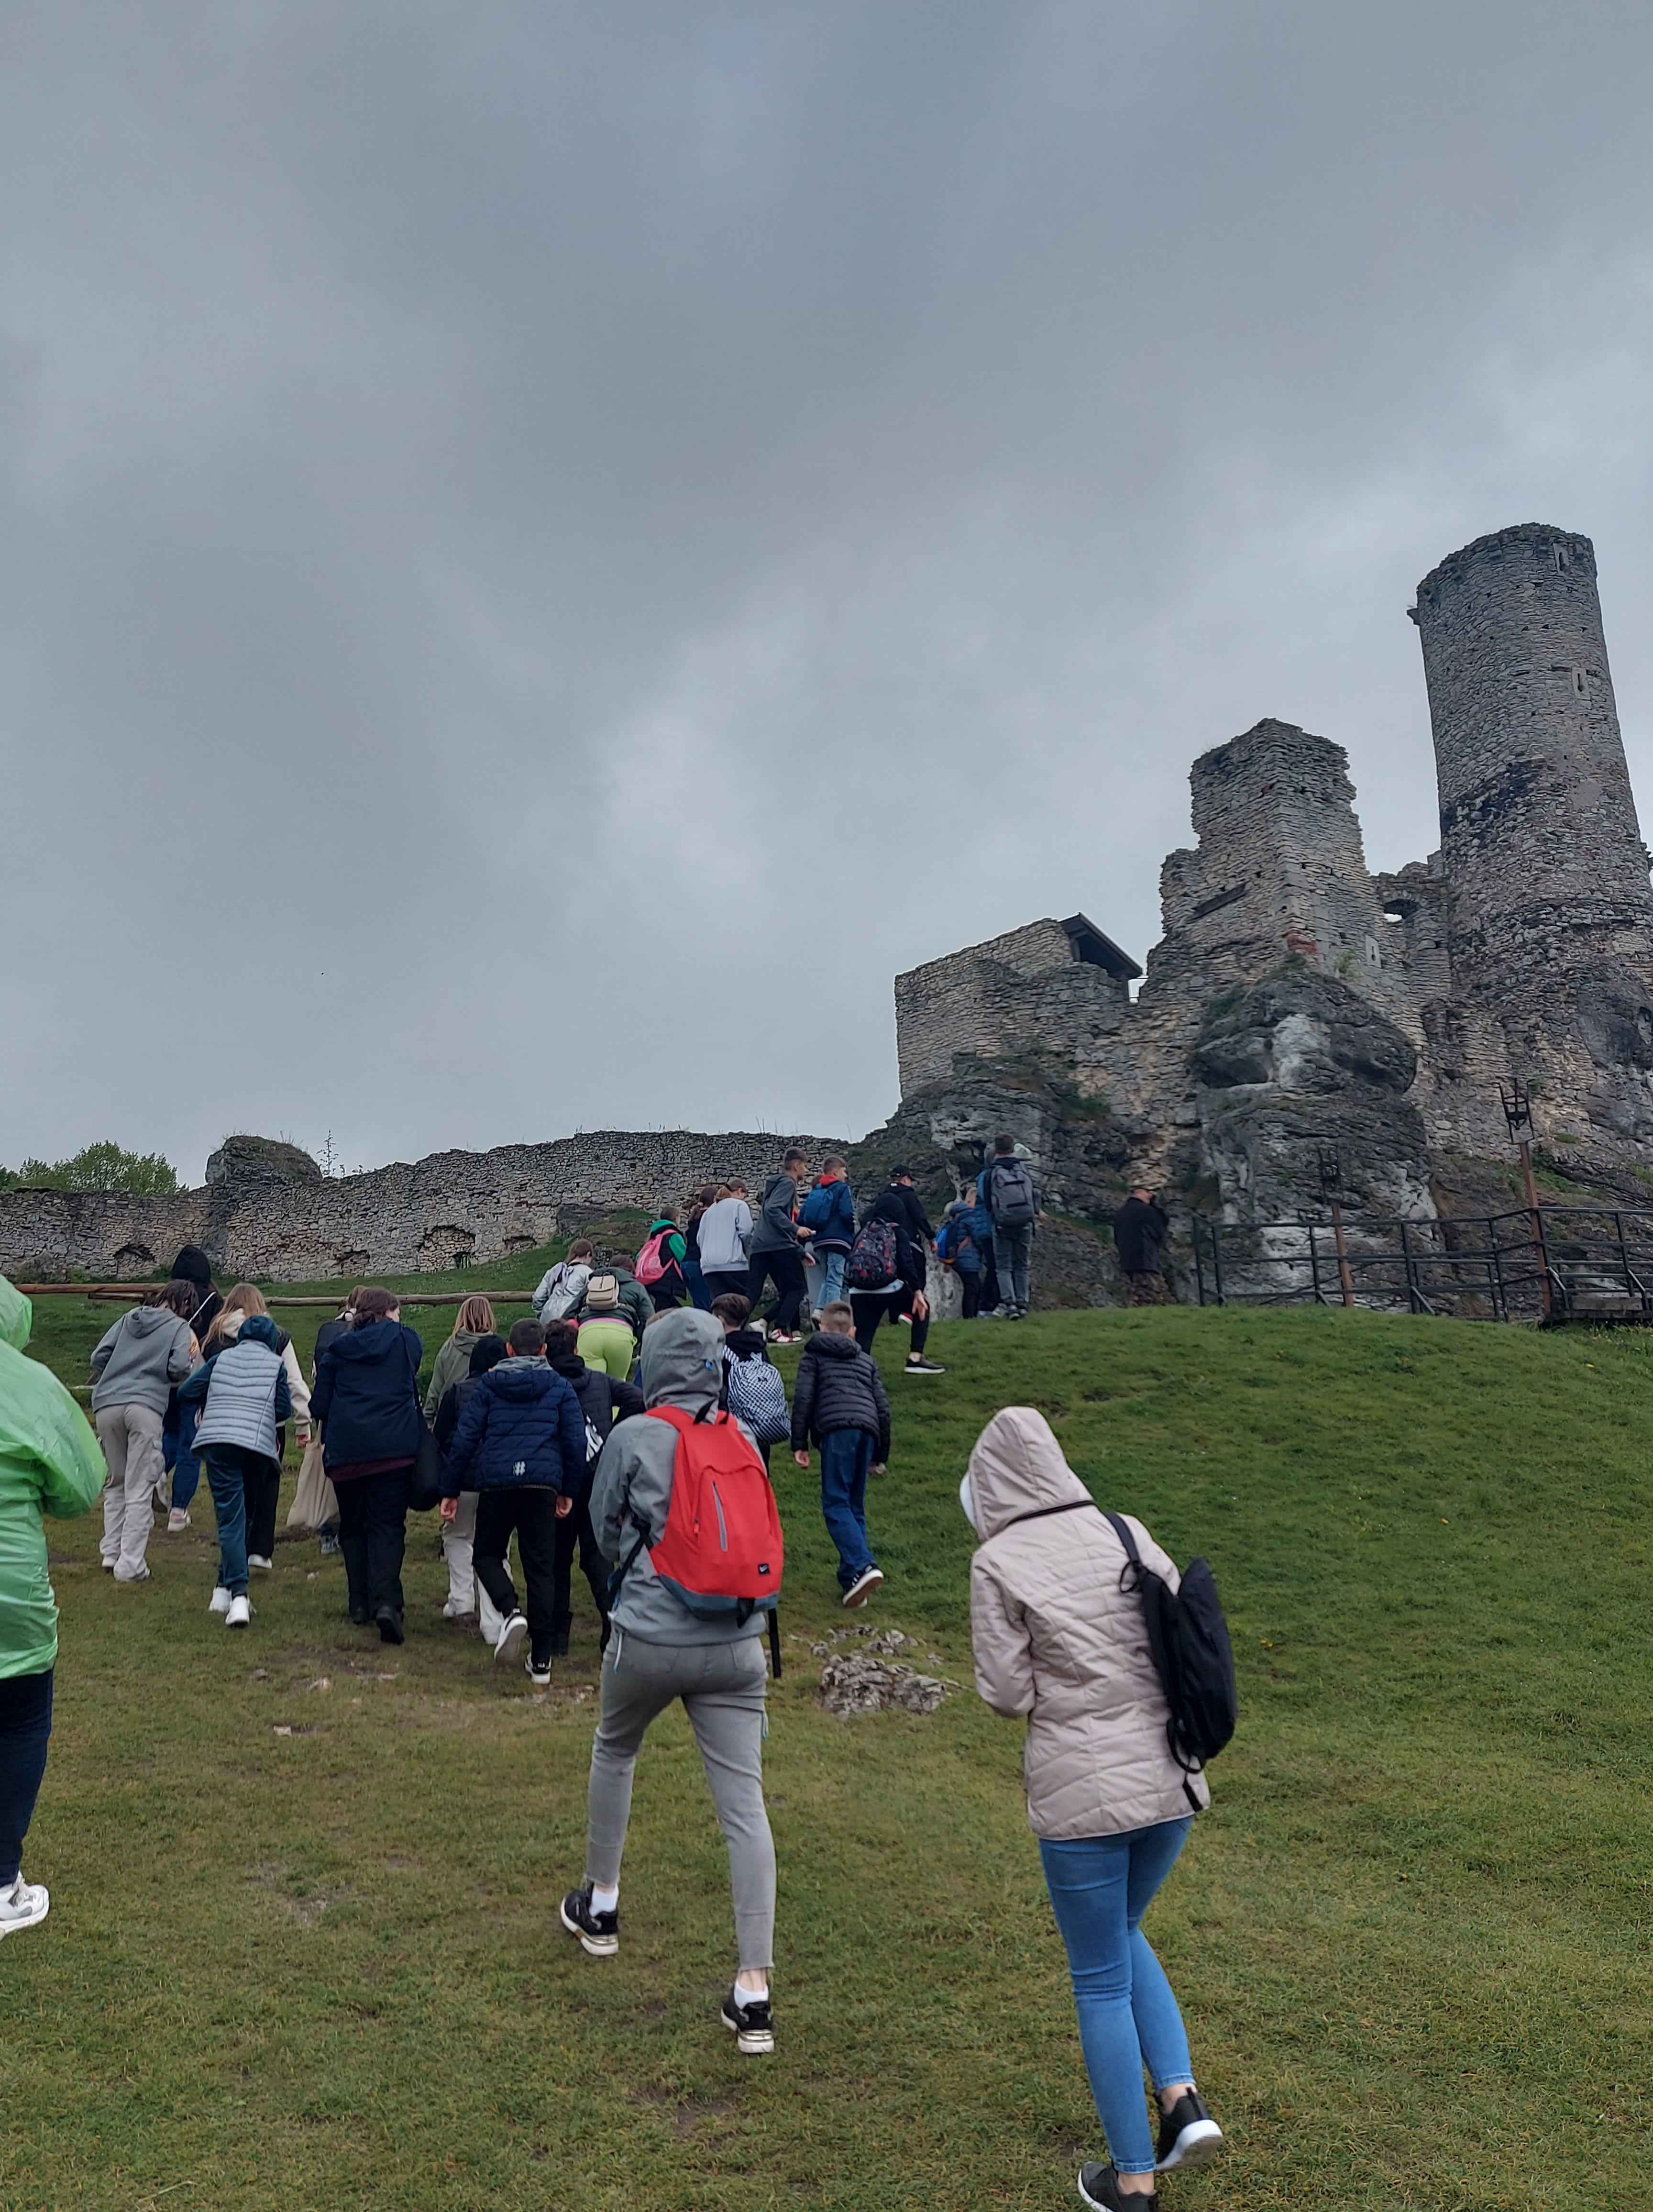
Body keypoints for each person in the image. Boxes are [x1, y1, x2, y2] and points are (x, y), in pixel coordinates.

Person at [963, 1407, 1224, 2208]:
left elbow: (1006, 1693)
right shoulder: (1125, 1529)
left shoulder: (997, 1560)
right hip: (1171, 1779)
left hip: (1082, 1797)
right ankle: (1181, 2099)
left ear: (989, 1483)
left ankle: (1133, 2180)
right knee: (1123, 1931)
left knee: (1100, 1977)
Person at [559, 1309, 779, 2058]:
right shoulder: (740, 1435)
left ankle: (602, 1903)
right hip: (739, 1643)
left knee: (616, 1748)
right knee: (745, 1806)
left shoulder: (635, 1434)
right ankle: (754, 1987)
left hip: (651, 1636)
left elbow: (605, 1528)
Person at [0, 1271, 105, 1938]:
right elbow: (83, 1484)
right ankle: (1, 1880)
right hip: (10, 1598)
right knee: (18, 1725)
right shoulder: (29, 1383)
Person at [442, 1316, 584, 1685]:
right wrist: (569, 1489)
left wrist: (451, 1489)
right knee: (541, 1568)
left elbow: (465, 1438)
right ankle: (542, 1660)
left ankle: (510, 1608)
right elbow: (575, 1441)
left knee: (486, 1554)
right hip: (542, 1483)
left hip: (498, 1481)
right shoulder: (559, 1386)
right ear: (543, 1350)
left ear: (508, 1350)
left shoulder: (490, 1385)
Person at [311, 1288, 424, 1644]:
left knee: (354, 1526)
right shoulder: (406, 1340)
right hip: (394, 1448)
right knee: (387, 1526)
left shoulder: (338, 1349)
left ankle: (359, 1602)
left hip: (348, 1451)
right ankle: (387, 1601)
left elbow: (320, 1405)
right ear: (389, 1311)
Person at [178, 1310, 292, 1629]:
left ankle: (223, 1591)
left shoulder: (220, 1360)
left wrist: (213, 1401)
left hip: (219, 1442)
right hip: (257, 1446)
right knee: (246, 1516)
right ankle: (239, 1596)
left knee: (231, 1517)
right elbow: (283, 1409)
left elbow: (187, 1392)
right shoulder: (276, 1365)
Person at [542, 1319, 643, 1653]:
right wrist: (612, 1434)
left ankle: (558, 1634)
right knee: (597, 1555)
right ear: (576, 1349)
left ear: (546, 1352)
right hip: (598, 1475)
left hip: (559, 1478)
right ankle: (610, 1619)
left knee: (557, 1558)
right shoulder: (599, 1381)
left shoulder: (546, 1384)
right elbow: (638, 1398)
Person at [90, 1280, 198, 1582]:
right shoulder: (179, 1327)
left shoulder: (129, 1318)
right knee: (140, 1486)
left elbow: (98, 1357)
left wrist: (118, 1373)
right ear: (185, 1304)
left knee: (116, 1482)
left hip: (108, 1403)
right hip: (145, 1406)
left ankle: (111, 1552)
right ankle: (131, 1565)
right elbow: (180, 1367)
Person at [203, 1285, 312, 1573]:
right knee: (267, 1483)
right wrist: (303, 1421)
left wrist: (203, 1417)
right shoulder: (277, 1337)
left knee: (231, 1487)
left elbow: (203, 1381)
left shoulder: (214, 1338)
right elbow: (293, 1382)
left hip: (225, 1422)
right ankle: (260, 1550)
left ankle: (235, 1546)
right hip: (267, 1424)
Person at [790, 1301, 890, 1607]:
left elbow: (804, 1398)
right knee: (854, 1506)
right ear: (853, 1331)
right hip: (868, 1432)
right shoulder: (866, 1360)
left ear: (821, 1327)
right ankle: (853, 1579)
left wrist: (799, 1443)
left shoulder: (813, 1355)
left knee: (835, 1503)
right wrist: (881, 1454)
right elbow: (883, 1408)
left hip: (836, 1430)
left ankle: (863, 1564)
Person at [432, 1332, 508, 1629]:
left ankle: (461, 1598)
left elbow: (441, 1436)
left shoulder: (457, 1392)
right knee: (497, 1548)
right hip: (500, 1480)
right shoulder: (510, 1392)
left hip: (463, 1478)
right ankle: (497, 1615)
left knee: (457, 1536)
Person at [845, 1187, 946, 1375]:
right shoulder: (898, 1231)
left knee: (864, 1335)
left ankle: (859, 1371)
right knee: (922, 1309)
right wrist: (917, 1291)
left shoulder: (863, 1232)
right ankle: (916, 1358)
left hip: (859, 1291)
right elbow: (907, 1263)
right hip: (889, 1288)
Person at [162, 1245, 220, 1532]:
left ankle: (153, 1478)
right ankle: (178, 1510)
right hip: (196, 1381)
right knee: (190, 1443)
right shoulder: (213, 1301)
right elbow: (217, 1343)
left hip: (165, 1380)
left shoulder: (165, 1299)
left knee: (169, 1434)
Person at [712, 1293, 789, 1472]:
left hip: (731, 1428)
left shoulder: (719, 1351)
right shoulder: (758, 1348)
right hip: (760, 1427)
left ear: (720, 1320)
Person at [746, 1148, 811, 1343]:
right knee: (797, 1288)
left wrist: (800, 1252)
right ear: (797, 1166)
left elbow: (769, 1213)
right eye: (805, 1166)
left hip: (760, 1246)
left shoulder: (773, 1186)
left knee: (754, 1293)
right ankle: (779, 1329)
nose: (806, 1171)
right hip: (778, 1246)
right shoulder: (788, 1184)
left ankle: (737, 1327)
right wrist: (796, 1229)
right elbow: (773, 1211)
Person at [981, 1133, 1039, 1319]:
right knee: (1022, 1265)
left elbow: (988, 1203)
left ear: (996, 1149)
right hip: (1025, 1222)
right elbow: (1034, 1194)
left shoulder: (991, 1173)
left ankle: (1010, 1305)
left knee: (1003, 1266)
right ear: (1013, 1148)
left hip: (1002, 1225)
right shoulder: (1023, 1169)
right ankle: (1023, 1304)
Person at [799, 1157, 856, 1322]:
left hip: (819, 1241)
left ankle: (819, 1310)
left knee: (828, 1278)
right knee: (836, 1279)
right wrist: (850, 1231)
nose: (846, 1175)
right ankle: (832, 1317)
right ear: (836, 1172)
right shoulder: (842, 1189)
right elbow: (847, 1213)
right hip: (839, 1240)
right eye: (844, 1171)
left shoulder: (816, 1191)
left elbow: (802, 1218)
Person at [424, 1295, 496, 1419]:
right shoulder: (497, 1348)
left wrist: (429, 1417)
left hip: (451, 1416)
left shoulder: (449, 1347)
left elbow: (435, 1389)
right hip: (486, 1416)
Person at [575, 1273, 644, 1380]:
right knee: (618, 1383)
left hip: (588, 1334)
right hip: (621, 1334)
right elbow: (649, 1318)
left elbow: (568, 1314)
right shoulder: (637, 1287)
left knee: (592, 1383)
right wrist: (636, 1338)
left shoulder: (590, 1286)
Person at [696, 1181, 754, 1305]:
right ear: (740, 1191)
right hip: (733, 1263)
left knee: (720, 1305)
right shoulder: (739, 1205)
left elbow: (699, 1240)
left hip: (709, 1266)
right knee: (740, 1303)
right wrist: (744, 1248)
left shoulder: (708, 1212)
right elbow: (746, 1231)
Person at [1114, 1186, 1172, 1307]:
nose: (1151, 1196)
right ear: (1140, 1192)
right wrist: (1156, 1207)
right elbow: (1159, 1230)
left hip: (1127, 1257)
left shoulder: (1121, 1212)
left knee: (1136, 1286)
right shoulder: (1147, 1210)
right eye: (1148, 1192)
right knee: (1146, 1291)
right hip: (1144, 1256)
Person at [937, 1197, 986, 1320]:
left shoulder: (956, 1219)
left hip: (959, 1258)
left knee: (974, 1287)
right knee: (972, 1288)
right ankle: (970, 1317)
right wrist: (986, 1251)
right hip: (968, 1257)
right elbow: (977, 1237)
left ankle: (972, 1316)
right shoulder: (969, 1217)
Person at [636, 1211, 689, 1313]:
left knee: (665, 1308)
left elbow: (639, 1256)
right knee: (665, 1310)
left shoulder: (654, 1235)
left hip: (651, 1279)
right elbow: (683, 1256)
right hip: (666, 1279)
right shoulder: (673, 1235)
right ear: (676, 1218)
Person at [533, 1240, 595, 1322]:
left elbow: (538, 1297)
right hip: (571, 1317)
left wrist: (541, 1314)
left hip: (547, 1316)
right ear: (588, 1255)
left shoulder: (554, 1270)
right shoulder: (587, 1272)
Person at [681, 1188, 716, 1311]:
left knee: (699, 1303)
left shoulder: (695, 1217)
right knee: (707, 1305)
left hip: (687, 1263)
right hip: (698, 1263)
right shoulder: (709, 1217)